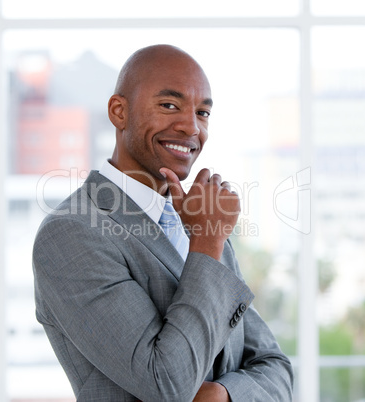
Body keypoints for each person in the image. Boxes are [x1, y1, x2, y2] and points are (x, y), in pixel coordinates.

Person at [33, 44, 293, 401]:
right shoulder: (72, 233)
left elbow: (275, 366)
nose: (191, 126)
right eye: (169, 105)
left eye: (202, 113)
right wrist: (206, 241)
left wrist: (223, 395)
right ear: (119, 111)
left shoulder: (201, 221)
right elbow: (166, 384)